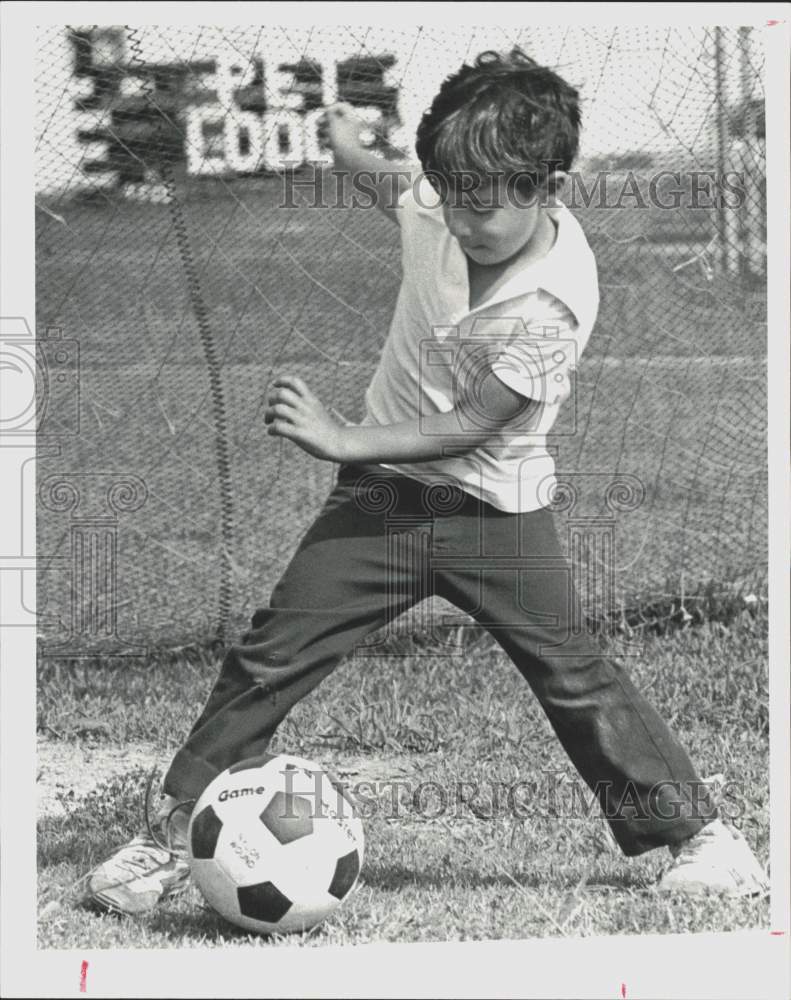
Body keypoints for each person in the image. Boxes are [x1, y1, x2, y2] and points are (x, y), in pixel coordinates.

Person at [85, 48, 767, 915]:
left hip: (494, 510)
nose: (462, 219)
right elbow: (394, 190)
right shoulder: (443, 203)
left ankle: (703, 839)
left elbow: (476, 423)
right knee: (269, 657)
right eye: (450, 194)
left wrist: (343, 435)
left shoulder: (554, 299)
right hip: (380, 500)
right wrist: (346, 149)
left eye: (484, 204)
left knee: (571, 673)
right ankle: (172, 835)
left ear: (548, 186)